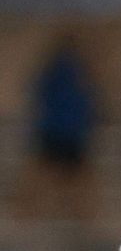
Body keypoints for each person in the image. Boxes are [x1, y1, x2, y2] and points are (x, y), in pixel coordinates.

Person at [30, 32, 96, 174]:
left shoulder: (55, 70)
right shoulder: (76, 72)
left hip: (58, 132)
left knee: (49, 174)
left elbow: (41, 97)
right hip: (66, 133)